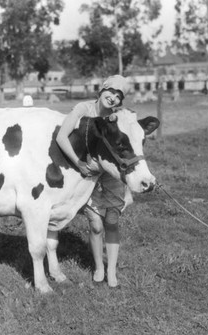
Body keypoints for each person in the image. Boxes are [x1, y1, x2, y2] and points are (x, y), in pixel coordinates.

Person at [56, 75, 132, 288]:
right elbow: (62, 136)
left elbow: (128, 143)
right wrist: (79, 163)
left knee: (112, 222)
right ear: (102, 90)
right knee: (96, 224)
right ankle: (99, 266)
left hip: (112, 176)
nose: (113, 98)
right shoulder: (83, 109)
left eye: (118, 97)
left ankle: (112, 270)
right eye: (111, 92)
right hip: (88, 175)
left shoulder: (117, 117)